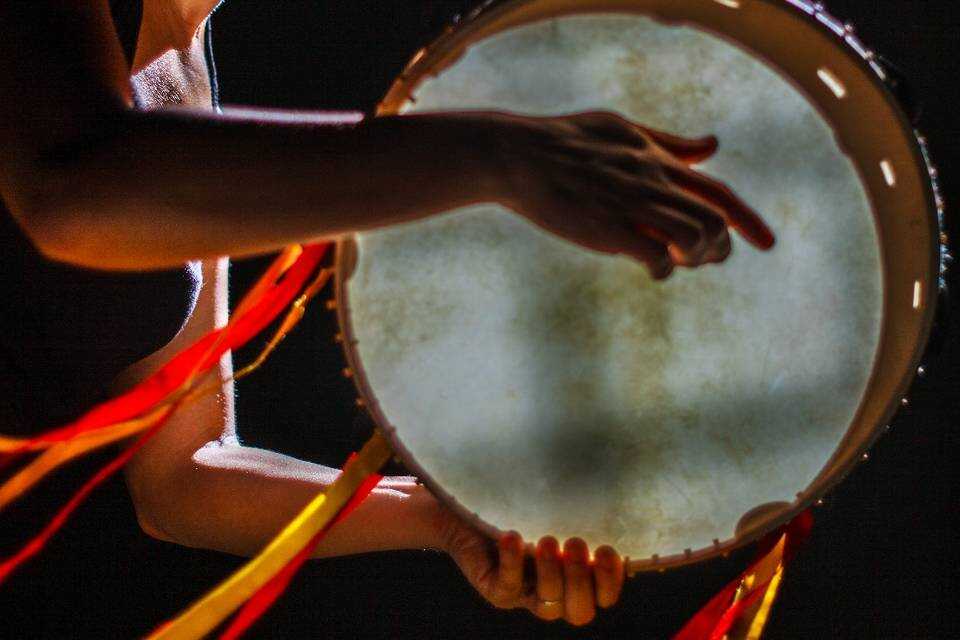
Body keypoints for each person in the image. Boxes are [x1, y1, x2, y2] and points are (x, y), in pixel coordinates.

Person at [0, 0, 774, 628]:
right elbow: (74, 191)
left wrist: (441, 518)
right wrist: (500, 157)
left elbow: (178, 481)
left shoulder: (185, 64)